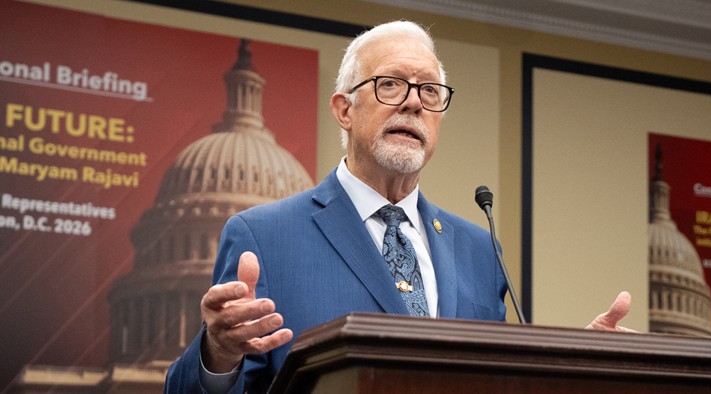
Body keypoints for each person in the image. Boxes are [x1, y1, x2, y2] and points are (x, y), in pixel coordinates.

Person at [164, 20, 632, 393]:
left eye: (429, 91)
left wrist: (582, 366)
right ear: (344, 110)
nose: (413, 103)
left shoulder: (479, 250)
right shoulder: (263, 236)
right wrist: (218, 355)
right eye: (391, 84)